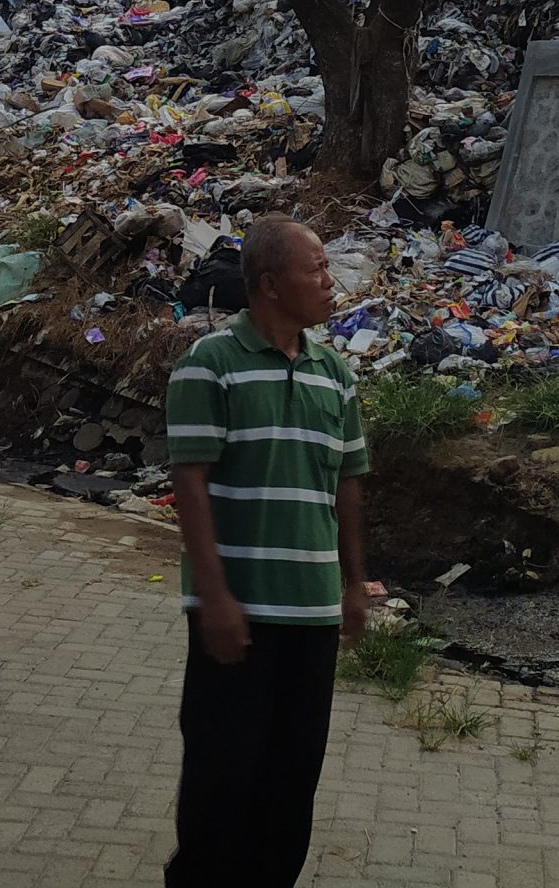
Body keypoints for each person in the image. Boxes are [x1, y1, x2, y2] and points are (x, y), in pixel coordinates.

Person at [160, 215, 370, 888]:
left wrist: (354, 585)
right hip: (238, 616)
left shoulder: (335, 374)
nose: (330, 282)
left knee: (290, 784)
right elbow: (190, 482)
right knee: (220, 783)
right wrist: (214, 597)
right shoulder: (209, 365)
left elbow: (347, 484)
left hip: (312, 615)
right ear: (272, 285)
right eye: (317, 269)